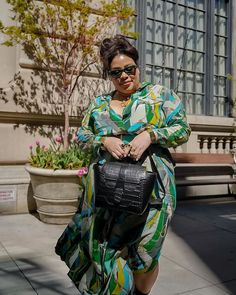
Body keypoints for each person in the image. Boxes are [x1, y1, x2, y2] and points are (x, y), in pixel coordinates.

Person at [55, 35, 191, 295]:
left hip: (154, 193)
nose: (124, 76)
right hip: (107, 191)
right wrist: (103, 140)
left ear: (137, 67)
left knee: (145, 254)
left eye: (129, 69)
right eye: (116, 72)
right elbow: (81, 137)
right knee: (107, 251)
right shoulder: (99, 104)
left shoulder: (159, 95)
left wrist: (150, 135)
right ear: (109, 74)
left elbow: (183, 130)